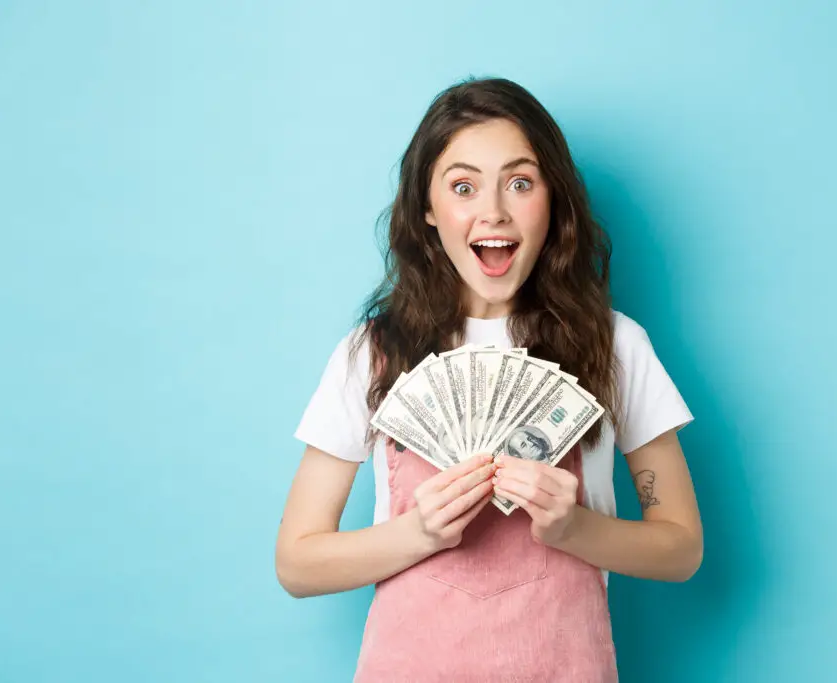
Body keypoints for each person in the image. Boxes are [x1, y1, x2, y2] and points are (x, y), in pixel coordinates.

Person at [276, 77, 703, 682]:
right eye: (463, 186)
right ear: (427, 208)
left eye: (520, 183)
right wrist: (418, 534)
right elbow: (297, 562)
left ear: (553, 200)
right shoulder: (370, 353)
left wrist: (575, 527)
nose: (493, 210)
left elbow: (681, 548)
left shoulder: (616, 346)